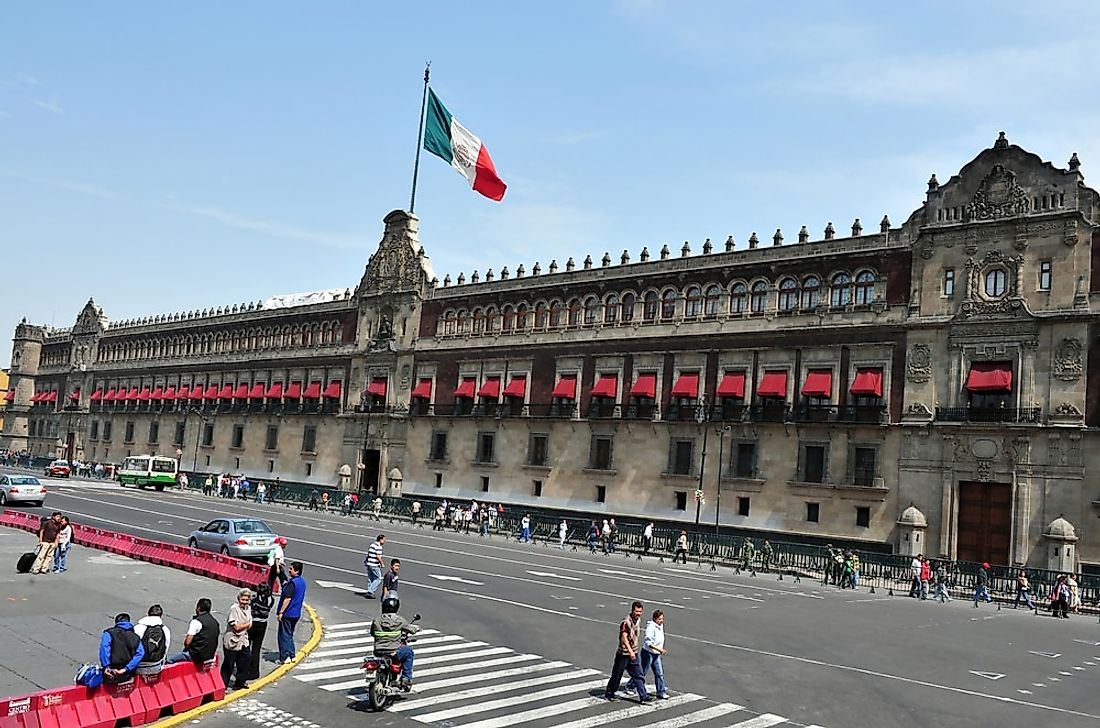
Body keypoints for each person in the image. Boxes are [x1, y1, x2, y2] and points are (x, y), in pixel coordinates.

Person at [604, 601, 652, 703]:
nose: (638, 613)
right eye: (636, 611)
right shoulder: (626, 622)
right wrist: (630, 651)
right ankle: (610, 692)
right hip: (624, 654)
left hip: (634, 653)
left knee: (639, 675)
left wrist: (633, 651)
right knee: (617, 675)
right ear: (632, 610)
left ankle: (643, 696)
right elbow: (624, 638)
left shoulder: (638, 620)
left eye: (640, 611)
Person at [370, 594, 420, 689]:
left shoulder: (377, 620)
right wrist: (416, 628)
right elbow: (411, 630)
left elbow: (372, 633)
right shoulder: (399, 620)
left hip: (378, 651)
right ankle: (406, 678)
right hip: (394, 651)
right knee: (409, 652)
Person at [166, 598, 220, 665]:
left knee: (169, 659)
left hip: (197, 655)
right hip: (209, 654)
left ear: (198, 608)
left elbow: (187, 642)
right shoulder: (215, 622)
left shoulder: (197, 622)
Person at [100, 613, 145, 684]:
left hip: (111, 671)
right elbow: (140, 653)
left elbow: (105, 649)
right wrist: (126, 668)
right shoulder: (135, 637)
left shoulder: (109, 633)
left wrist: (106, 666)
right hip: (127, 673)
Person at [222, 589, 253, 690]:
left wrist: (245, 625)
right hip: (233, 640)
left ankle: (240, 682)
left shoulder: (248, 609)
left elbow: (249, 624)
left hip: (244, 640)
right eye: (242, 599)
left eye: (246, 600)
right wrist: (247, 625)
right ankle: (223, 685)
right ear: (239, 599)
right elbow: (236, 627)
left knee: (246, 660)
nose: (244, 602)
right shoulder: (234, 609)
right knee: (229, 664)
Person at [277, 562, 306, 663]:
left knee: (284, 635)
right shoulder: (302, 582)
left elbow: (287, 598)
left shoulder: (292, 583)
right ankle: (292, 654)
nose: (289, 570)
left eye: (291, 569)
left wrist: (281, 612)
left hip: (288, 613)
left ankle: (285, 656)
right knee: (289, 634)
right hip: (296, 613)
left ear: (296, 571)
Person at [134, 604, 171, 677]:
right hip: (156, 666)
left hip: (139, 667)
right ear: (161, 616)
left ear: (148, 614)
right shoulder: (165, 630)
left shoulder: (138, 628)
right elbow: (165, 649)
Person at [247, 583, 274, 680]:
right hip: (263, 625)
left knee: (247, 646)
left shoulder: (255, 600)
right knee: (256, 649)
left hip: (253, 624)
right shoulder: (270, 600)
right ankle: (255, 671)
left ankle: (247, 669)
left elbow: (250, 610)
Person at [640, 609, 669, 699]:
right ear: (655, 619)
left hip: (656, 654)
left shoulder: (660, 626)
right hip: (648, 653)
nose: (662, 621)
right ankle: (631, 686)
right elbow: (649, 643)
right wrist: (660, 649)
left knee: (659, 673)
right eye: (660, 619)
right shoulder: (651, 627)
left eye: (662, 619)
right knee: (643, 672)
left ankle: (661, 692)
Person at [364, 534, 386, 598]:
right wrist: (382, 563)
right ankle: (370, 591)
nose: (384, 541)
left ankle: (369, 591)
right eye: (384, 540)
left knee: (371, 578)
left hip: (369, 563)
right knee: (378, 578)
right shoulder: (379, 547)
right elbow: (378, 556)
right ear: (380, 539)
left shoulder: (372, 545)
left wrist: (366, 561)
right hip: (374, 564)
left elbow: (369, 554)